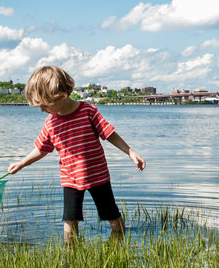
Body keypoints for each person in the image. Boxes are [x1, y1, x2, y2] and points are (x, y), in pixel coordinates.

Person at [8, 65, 145, 244]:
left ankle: (119, 246)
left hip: (98, 175)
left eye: (44, 106)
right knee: (70, 220)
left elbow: (109, 134)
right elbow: (42, 148)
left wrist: (130, 151)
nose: (42, 110)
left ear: (62, 95)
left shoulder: (88, 111)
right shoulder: (50, 123)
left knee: (111, 215)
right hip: (70, 178)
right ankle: (71, 256)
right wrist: (22, 163)